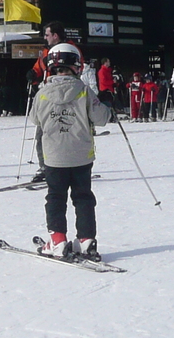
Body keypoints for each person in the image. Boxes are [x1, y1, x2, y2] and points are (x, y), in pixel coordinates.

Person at [30, 42, 114, 261]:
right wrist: (106, 101)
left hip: (54, 157)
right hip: (81, 156)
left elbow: (34, 119)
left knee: (56, 197)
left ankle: (57, 240)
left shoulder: (43, 93)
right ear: (77, 66)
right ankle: (86, 240)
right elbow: (102, 118)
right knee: (83, 197)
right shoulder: (84, 91)